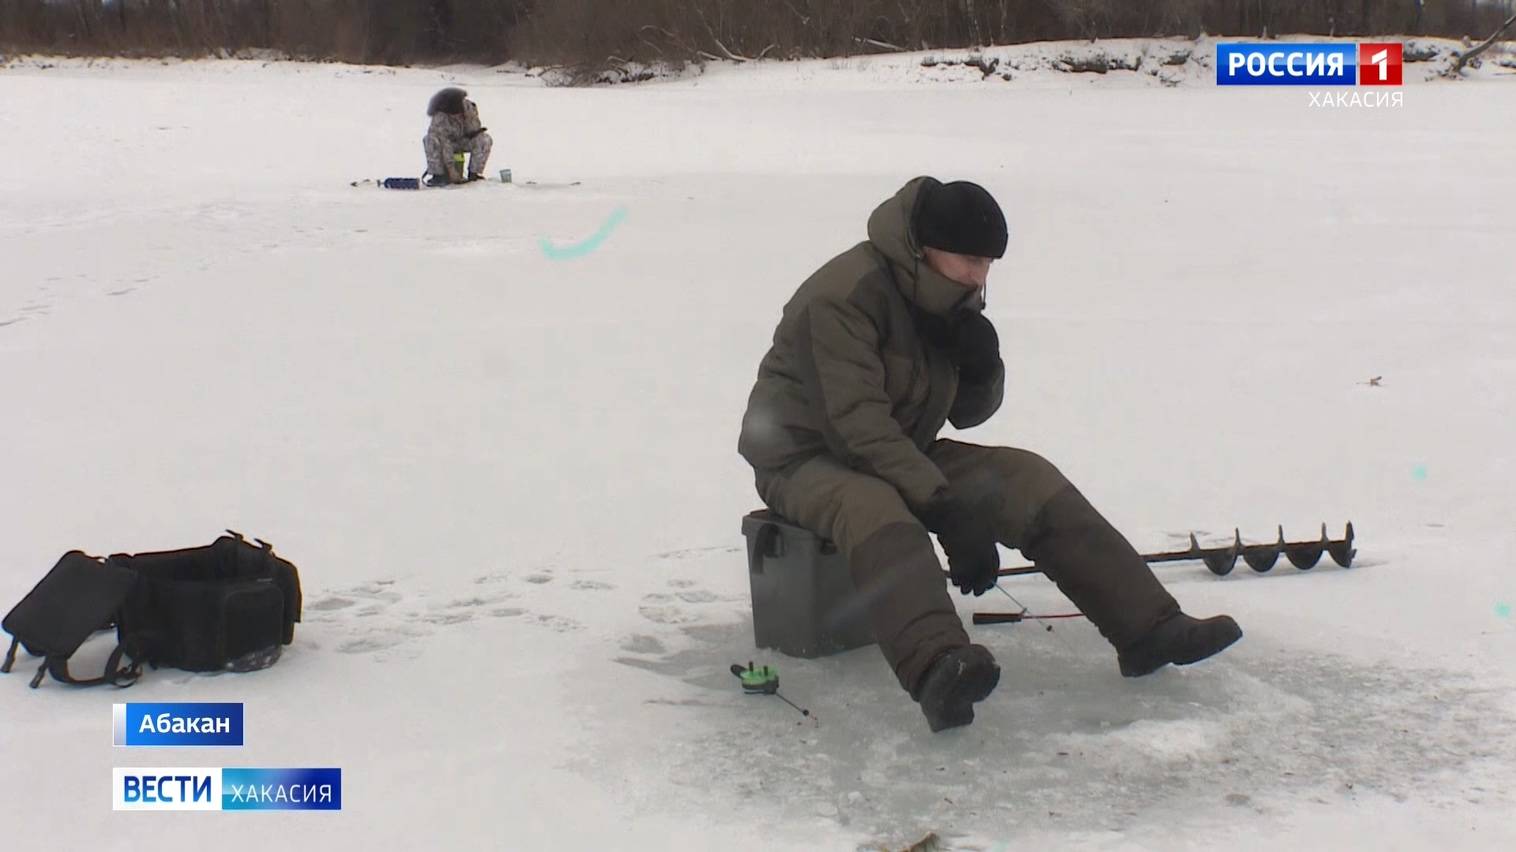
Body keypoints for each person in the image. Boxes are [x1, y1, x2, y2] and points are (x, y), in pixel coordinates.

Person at [737, 176, 1242, 733]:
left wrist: (981, 368)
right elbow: (856, 428)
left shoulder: (943, 295)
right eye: (969, 260)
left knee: (1024, 478)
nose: (979, 277)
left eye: (988, 264)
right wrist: (945, 510)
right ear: (923, 248)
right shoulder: (842, 296)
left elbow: (964, 414)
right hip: (802, 455)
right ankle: (937, 666)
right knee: (873, 506)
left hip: (898, 445)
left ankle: (1149, 629)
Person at [423, 87, 492, 187]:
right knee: (430, 140)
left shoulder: (468, 107)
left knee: (485, 139)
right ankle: (438, 175)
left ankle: (474, 174)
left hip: (464, 141)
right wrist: (451, 171)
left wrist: (469, 117)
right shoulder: (439, 116)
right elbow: (443, 143)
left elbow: (474, 130)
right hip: (446, 145)